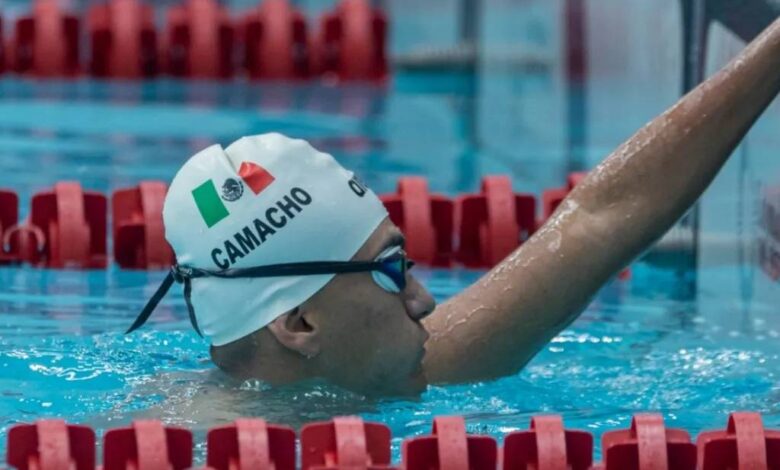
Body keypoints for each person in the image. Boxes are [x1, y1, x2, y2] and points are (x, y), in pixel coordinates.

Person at [129, 17, 780, 396]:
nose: (424, 301)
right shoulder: (180, 450)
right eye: (390, 272)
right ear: (297, 324)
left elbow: (597, 222)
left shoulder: (370, 375)